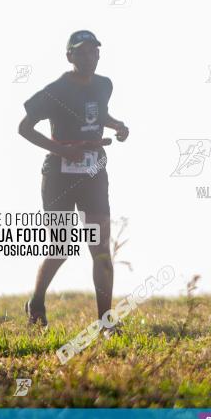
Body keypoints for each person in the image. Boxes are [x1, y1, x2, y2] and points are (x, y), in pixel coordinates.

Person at [18, 30, 129, 332]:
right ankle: (37, 301)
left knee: (101, 249)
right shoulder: (56, 90)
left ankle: (106, 323)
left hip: (94, 174)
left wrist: (117, 124)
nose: (88, 57)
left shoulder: (104, 85)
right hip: (58, 175)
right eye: (81, 52)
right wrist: (62, 150)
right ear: (69, 56)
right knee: (62, 246)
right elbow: (24, 128)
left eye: (93, 51)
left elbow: (97, 114)